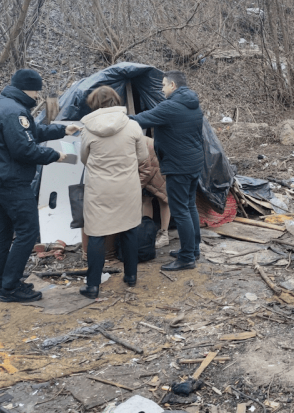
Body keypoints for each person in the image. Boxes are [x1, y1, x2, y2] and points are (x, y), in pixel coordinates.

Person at [0, 69, 81, 303]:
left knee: (2, 231)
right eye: (37, 90)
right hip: (11, 180)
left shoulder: (0, 105)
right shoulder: (15, 112)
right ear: (29, 88)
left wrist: (63, 129)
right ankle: (11, 287)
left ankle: (2, 282)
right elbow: (25, 149)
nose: (38, 95)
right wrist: (55, 155)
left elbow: (30, 133)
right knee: (28, 231)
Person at [131, 71, 204, 271]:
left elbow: (139, 120)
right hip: (194, 163)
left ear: (172, 85)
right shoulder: (193, 103)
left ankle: (187, 257)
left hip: (178, 166)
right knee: (189, 207)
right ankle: (193, 249)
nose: (162, 89)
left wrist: (114, 118)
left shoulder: (170, 107)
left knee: (180, 211)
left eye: (163, 85)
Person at [79, 86, 148, 298]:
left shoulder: (87, 129)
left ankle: (92, 286)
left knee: (97, 235)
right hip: (127, 187)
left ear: (93, 103)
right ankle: (131, 276)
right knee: (128, 230)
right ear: (116, 100)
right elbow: (143, 156)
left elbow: (84, 158)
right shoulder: (133, 125)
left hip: (99, 190)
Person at [138, 136, 172, 247]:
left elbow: (146, 170)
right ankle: (148, 233)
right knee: (146, 199)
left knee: (163, 198)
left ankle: (164, 234)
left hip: (159, 163)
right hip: (151, 162)